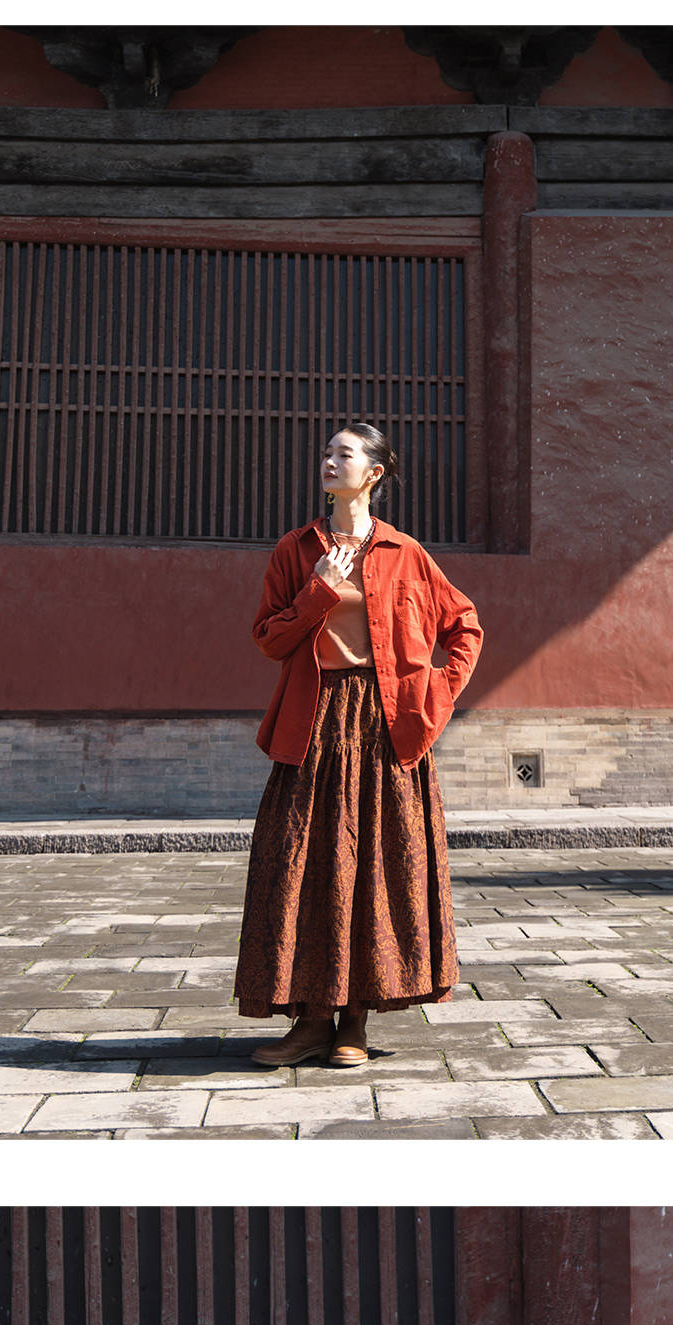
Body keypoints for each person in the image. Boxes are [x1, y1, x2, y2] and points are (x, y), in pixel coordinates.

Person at [234, 418, 483, 1071]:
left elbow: (464, 626)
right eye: (326, 452)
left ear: (373, 472)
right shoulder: (296, 549)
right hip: (314, 725)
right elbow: (269, 639)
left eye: (343, 453)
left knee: (375, 868)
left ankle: (355, 1023)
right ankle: (310, 1021)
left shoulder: (406, 552)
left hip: (386, 727)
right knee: (303, 865)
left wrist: (438, 693)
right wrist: (319, 586)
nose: (328, 460)